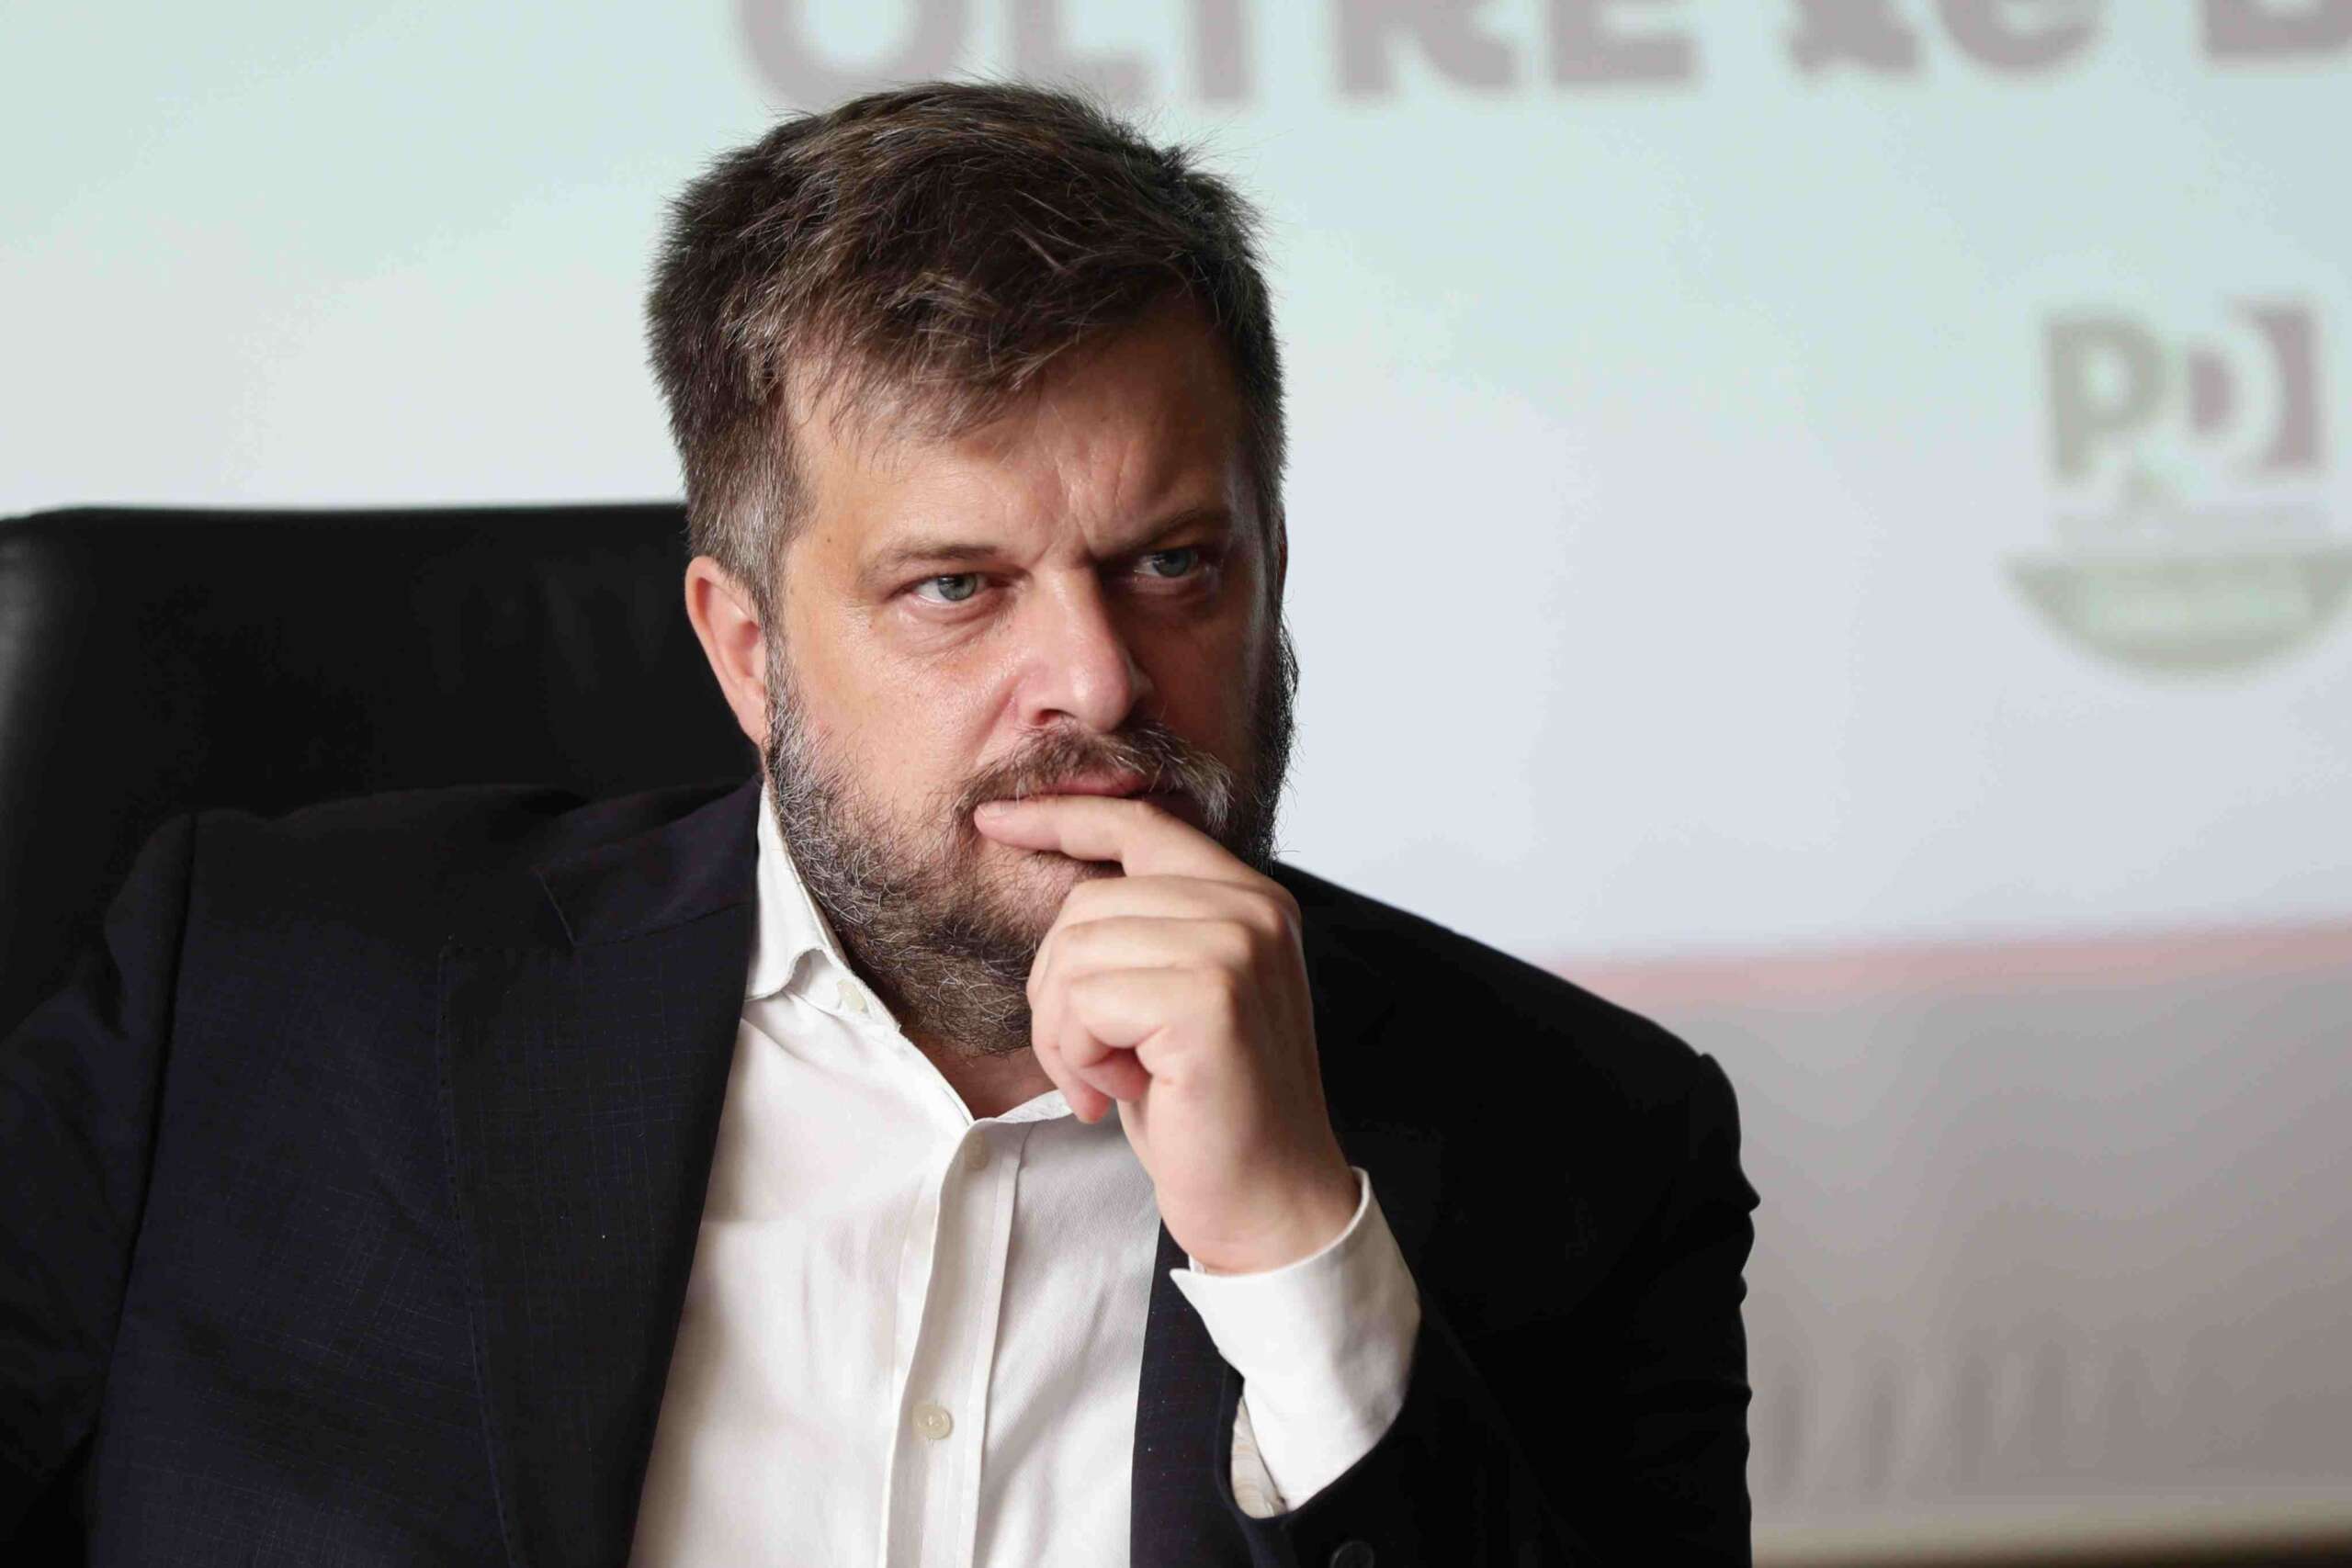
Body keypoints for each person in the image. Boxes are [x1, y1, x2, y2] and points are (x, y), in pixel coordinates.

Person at [0, 82, 1758, 1565]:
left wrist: (1299, 1253)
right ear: (747, 652)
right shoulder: (251, 996)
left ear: (1272, 570)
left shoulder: (1592, 1147)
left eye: (1170, 563)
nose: (1097, 680)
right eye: (956, 586)